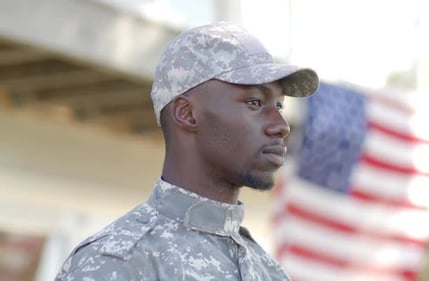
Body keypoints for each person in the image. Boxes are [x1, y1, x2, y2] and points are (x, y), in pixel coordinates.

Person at [55, 22, 319, 281]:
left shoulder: (268, 271)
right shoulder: (118, 264)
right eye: (255, 102)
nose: (281, 126)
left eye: (280, 107)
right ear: (187, 113)